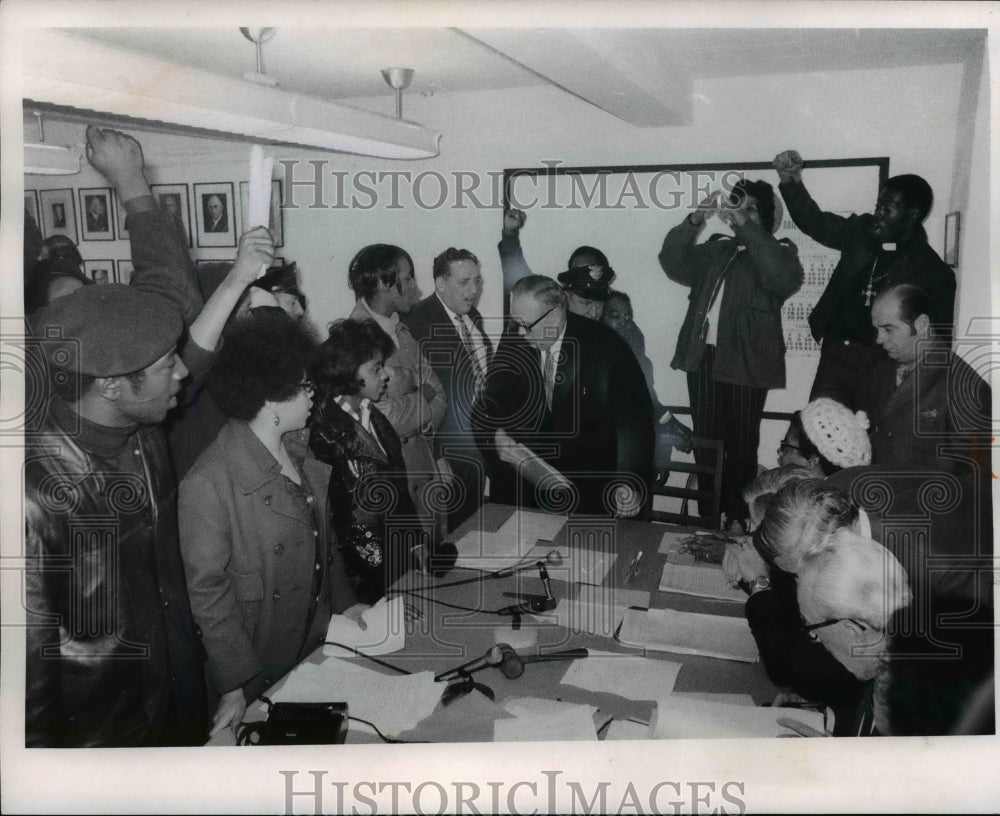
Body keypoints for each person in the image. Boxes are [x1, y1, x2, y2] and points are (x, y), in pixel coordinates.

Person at [25, 285, 207, 747]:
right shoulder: (33, 496)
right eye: (168, 363)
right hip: (105, 746)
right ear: (109, 384)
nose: (184, 372)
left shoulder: (144, 433)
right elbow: (29, 689)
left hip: (177, 710)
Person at [178, 310, 356, 738]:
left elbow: (325, 550)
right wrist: (234, 682)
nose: (314, 394)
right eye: (305, 386)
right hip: (257, 665)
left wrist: (351, 613)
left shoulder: (299, 452)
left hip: (315, 648)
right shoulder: (209, 482)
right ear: (272, 396)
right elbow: (207, 591)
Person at [658, 180, 803, 530]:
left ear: (765, 219)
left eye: (751, 209)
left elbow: (782, 278)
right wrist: (694, 220)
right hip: (702, 358)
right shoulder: (717, 249)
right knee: (706, 441)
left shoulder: (780, 252)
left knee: (741, 446)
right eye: (738, 207)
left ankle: (738, 520)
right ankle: (707, 517)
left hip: (746, 363)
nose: (740, 214)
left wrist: (746, 225)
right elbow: (672, 262)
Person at [773, 149, 956, 411]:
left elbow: (939, 342)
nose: (879, 214)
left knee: (871, 443)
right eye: (878, 206)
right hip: (836, 356)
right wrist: (790, 181)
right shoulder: (861, 231)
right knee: (821, 434)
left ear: (913, 214)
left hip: (884, 366)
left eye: (888, 209)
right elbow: (814, 222)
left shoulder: (933, 273)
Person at [473, 275, 654, 516]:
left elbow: (634, 423)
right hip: (529, 496)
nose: (520, 333)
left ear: (556, 313)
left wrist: (627, 482)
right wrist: (495, 436)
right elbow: (487, 407)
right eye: (515, 322)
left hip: (587, 496)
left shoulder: (605, 346)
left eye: (526, 325)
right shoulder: (515, 342)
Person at [310, 319, 432, 603]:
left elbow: (399, 490)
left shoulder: (375, 417)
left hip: (397, 560)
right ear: (349, 372)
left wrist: (415, 544)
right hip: (365, 578)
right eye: (376, 368)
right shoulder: (323, 435)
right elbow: (344, 526)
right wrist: (382, 585)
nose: (386, 375)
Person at [347, 244, 447, 538]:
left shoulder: (402, 330)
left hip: (424, 470)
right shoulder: (353, 338)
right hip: (394, 481)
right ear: (382, 283)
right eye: (408, 278)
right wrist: (422, 394)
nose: (415, 286)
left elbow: (440, 394)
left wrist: (415, 406)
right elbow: (384, 420)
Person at [404, 247, 492, 531]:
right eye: (464, 282)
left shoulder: (472, 317)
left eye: (477, 280)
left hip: (477, 444)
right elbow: (419, 396)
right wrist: (438, 455)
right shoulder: (417, 322)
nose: (474, 289)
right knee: (453, 533)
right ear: (441, 284)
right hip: (447, 452)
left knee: (474, 525)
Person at [868, 284, 991, 475]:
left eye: (888, 329)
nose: (879, 339)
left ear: (922, 324)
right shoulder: (882, 369)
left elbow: (974, 480)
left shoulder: (966, 386)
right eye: (877, 329)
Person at [796, 533, 912, 735]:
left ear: (854, 630)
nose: (815, 638)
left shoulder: (914, 708)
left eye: (812, 626)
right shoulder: (890, 669)